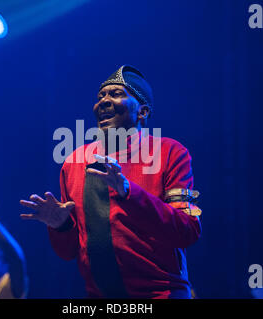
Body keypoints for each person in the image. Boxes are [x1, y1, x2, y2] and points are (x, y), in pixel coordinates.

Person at [20, 65, 202, 298]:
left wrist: (130, 193)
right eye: (100, 97)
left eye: (116, 94)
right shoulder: (74, 162)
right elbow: (68, 252)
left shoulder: (170, 152)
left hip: (161, 294)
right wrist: (61, 226)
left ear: (142, 112)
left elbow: (188, 229)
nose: (103, 101)